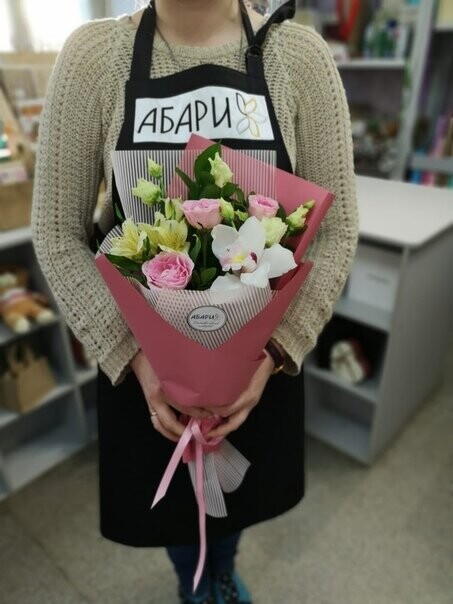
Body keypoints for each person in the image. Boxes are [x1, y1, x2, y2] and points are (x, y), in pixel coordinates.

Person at [31, 1, 359, 602]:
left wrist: (276, 351)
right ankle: (197, 581)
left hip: (258, 367)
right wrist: (134, 355)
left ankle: (220, 573)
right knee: (174, 517)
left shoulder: (299, 58)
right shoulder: (92, 59)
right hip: (145, 372)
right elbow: (56, 233)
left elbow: (334, 230)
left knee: (237, 503)